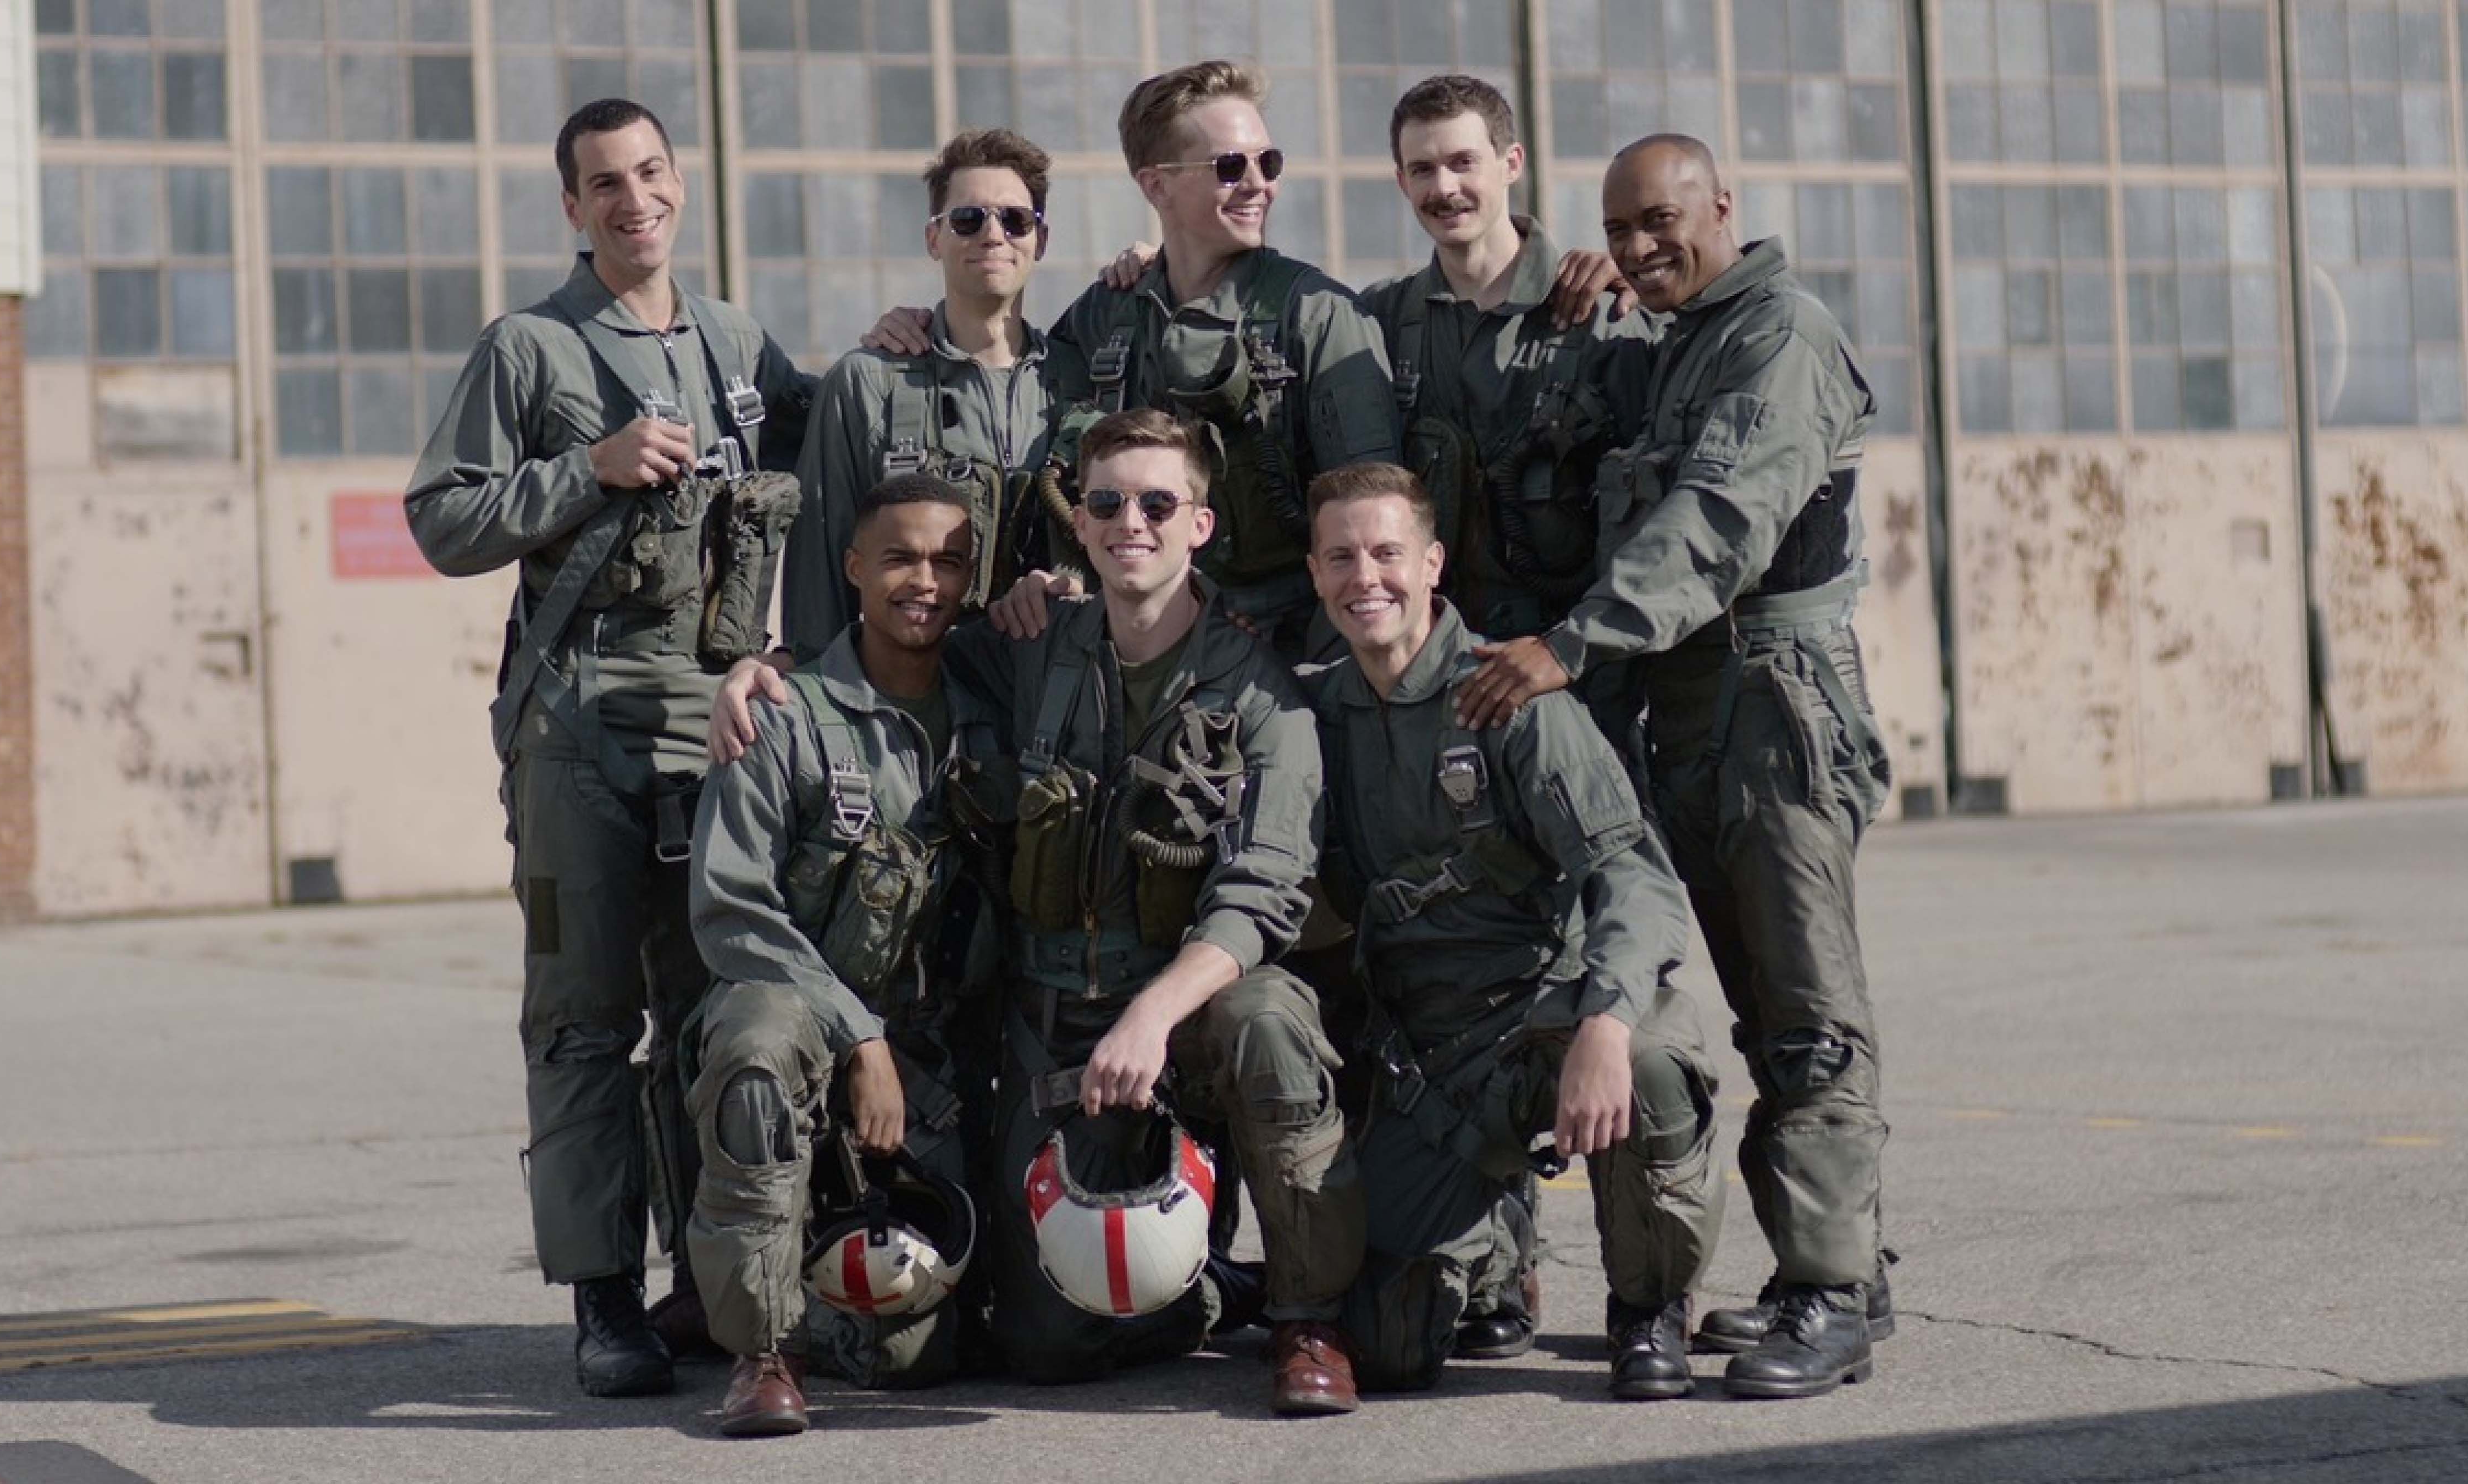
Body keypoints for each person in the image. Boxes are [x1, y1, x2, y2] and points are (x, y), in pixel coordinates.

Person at [714, 408, 1365, 1416]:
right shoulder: (1023, 648)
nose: (1129, 523)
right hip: (1052, 1029)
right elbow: (895, 655)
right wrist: (772, 675)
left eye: (1158, 503)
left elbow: (1264, 891)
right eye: (1106, 502)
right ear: (1082, 522)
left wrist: (1154, 1017)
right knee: (1042, 1345)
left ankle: (1306, 1321)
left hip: (1181, 1025)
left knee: (1271, 1019)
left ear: (1200, 524)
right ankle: (1190, 1290)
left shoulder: (1263, 695)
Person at [1457, 133, 1895, 1399]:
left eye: (1661, 221)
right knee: (1765, 1005)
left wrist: (1566, 647)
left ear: (1720, 204)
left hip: (1772, 702)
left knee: (1806, 1008)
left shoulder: (1776, 339)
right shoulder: (1675, 347)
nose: (1643, 248)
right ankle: (1841, 1262)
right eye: (1621, 229)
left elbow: (1711, 528)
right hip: (1691, 708)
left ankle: (1828, 1293)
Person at [405, 96, 816, 1398]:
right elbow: (442, 518)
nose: (632, 199)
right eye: (603, 183)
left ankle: (711, 1282)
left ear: (678, 183)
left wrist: (904, 343)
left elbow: (834, 461)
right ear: (572, 209)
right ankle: (602, 1295)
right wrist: (591, 463)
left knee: (714, 1006)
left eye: (650, 173)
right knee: (586, 1018)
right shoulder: (528, 348)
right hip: (579, 716)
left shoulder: (741, 342)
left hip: (719, 717)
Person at [1300, 463, 1722, 1398]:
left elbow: (1634, 879)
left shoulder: (1510, 697)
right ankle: (1497, 1255)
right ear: (1315, 573)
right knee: (1390, 1346)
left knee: (1650, 1063)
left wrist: (1607, 1024)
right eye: (1341, 557)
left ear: (1434, 562)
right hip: (1436, 1058)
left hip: (1548, 1017)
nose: (1365, 576)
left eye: (1387, 553)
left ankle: (1649, 1308)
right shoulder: (1315, 715)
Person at [870, 62, 1402, 654]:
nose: (1258, 184)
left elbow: (1376, 515)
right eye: (1230, 167)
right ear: (1156, 186)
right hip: (1134, 652)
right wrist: (914, 328)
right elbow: (1011, 366)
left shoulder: (1321, 316)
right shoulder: (1110, 314)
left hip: (1289, 655)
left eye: (1267, 162)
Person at [685, 473, 1001, 1436]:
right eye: (901, 557)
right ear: (855, 567)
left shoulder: (1001, 705)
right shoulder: (781, 715)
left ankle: (824, 1297)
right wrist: (859, 1040)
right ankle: (761, 1351)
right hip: (809, 1032)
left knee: (917, 1358)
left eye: (950, 561)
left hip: (938, 1063)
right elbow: (732, 908)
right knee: (753, 1045)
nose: (926, 581)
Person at [1359, 74, 1641, 647]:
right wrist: (1147, 267)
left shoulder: (1602, 316)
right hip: (1431, 657)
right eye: (1422, 169)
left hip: (1576, 663)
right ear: (1400, 181)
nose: (1444, 188)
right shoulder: (1379, 321)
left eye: (1464, 162)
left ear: (1511, 163)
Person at [778, 130, 1063, 661]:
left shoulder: (1082, 383)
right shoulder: (867, 385)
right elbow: (819, 579)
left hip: (1053, 695)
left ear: (1040, 241)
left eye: (1016, 220)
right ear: (935, 238)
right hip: (915, 695)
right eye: (968, 219)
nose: (994, 235)